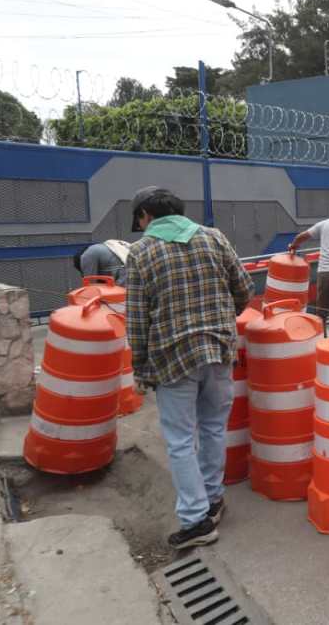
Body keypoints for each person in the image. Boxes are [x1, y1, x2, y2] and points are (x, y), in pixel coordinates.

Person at [124, 187, 254, 549]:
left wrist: (139, 367)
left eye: (140, 219)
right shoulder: (214, 238)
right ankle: (212, 501)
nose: (140, 225)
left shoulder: (141, 252)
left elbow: (136, 320)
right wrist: (224, 319)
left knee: (181, 440)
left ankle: (196, 521)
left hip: (172, 356)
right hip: (217, 350)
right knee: (214, 428)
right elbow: (244, 288)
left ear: (147, 215)